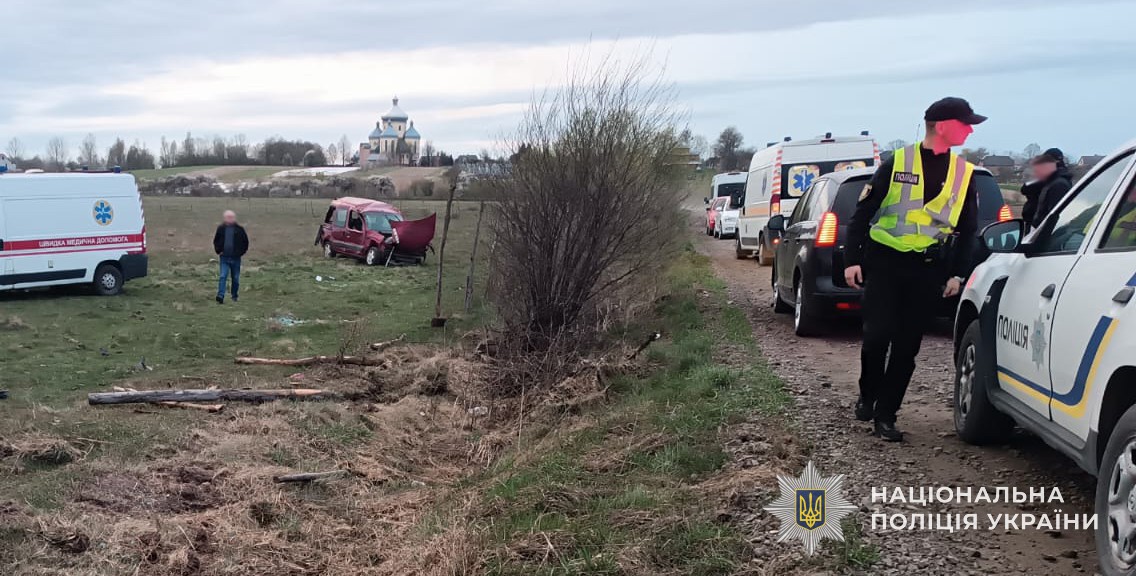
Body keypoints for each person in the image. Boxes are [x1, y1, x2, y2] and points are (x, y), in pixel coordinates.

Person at [844, 97, 985, 442]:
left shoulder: (964, 173)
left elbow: (968, 230)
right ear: (940, 125)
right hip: (885, 263)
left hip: (926, 268)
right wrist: (851, 260)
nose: (969, 130)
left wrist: (957, 274)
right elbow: (862, 213)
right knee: (876, 337)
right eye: (964, 123)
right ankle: (868, 394)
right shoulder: (898, 161)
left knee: (907, 347)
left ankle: (886, 415)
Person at [1021, 148, 1073, 230]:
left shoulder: (1059, 184)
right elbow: (1025, 189)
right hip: (1035, 227)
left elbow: (1054, 216)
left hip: (1040, 231)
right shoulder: (1048, 180)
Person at [212, 210, 249, 304]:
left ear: (234, 218)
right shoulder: (221, 228)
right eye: (228, 217)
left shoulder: (239, 229)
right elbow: (216, 241)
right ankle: (220, 296)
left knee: (235, 278)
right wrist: (218, 251)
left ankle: (234, 296)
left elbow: (245, 242)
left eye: (231, 217)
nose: (229, 219)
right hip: (224, 257)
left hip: (236, 258)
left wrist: (240, 253)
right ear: (224, 218)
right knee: (223, 276)